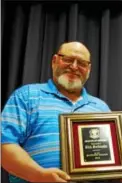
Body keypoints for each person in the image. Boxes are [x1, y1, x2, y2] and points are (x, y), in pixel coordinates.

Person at [1, 42, 111, 183]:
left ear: (89, 69)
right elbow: (4, 145)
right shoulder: (26, 96)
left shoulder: (101, 108)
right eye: (68, 60)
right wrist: (39, 175)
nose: (74, 66)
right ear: (54, 61)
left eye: (82, 63)